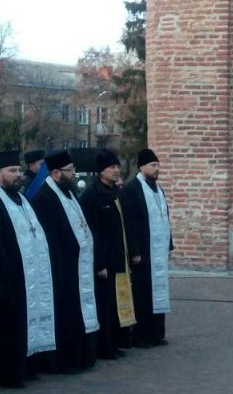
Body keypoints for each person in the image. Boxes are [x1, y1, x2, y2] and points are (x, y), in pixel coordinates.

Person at [0, 148, 54, 387]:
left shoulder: (23, 200)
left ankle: (28, 366)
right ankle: (7, 374)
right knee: (8, 328)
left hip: (28, 276)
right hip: (7, 278)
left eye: (19, 170)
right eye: (12, 170)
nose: (18, 175)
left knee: (26, 323)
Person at [31, 150, 98, 372]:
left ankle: (81, 357)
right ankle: (64, 361)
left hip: (78, 267)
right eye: (70, 170)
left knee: (78, 312)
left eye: (73, 169)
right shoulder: (44, 199)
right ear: (56, 173)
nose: (74, 174)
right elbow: (49, 240)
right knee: (65, 315)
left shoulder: (70, 194)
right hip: (61, 269)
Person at [80, 149, 135, 359]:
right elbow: (91, 233)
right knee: (104, 305)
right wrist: (99, 263)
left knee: (115, 304)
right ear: (101, 170)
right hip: (103, 260)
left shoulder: (115, 192)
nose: (116, 170)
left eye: (118, 166)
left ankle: (115, 343)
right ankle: (104, 347)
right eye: (112, 167)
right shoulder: (92, 196)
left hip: (118, 257)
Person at [121, 148, 172, 347]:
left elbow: (164, 217)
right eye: (153, 165)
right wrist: (135, 251)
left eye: (158, 165)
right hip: (143, 252)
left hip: (158, 250)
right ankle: (140, 335)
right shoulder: (132, 189)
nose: (157, 169)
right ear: (142, 166)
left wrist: (169, 243)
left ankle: (156, 333)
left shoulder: (158, 189)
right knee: (143, 294)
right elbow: (130, 223)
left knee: (158, 291)